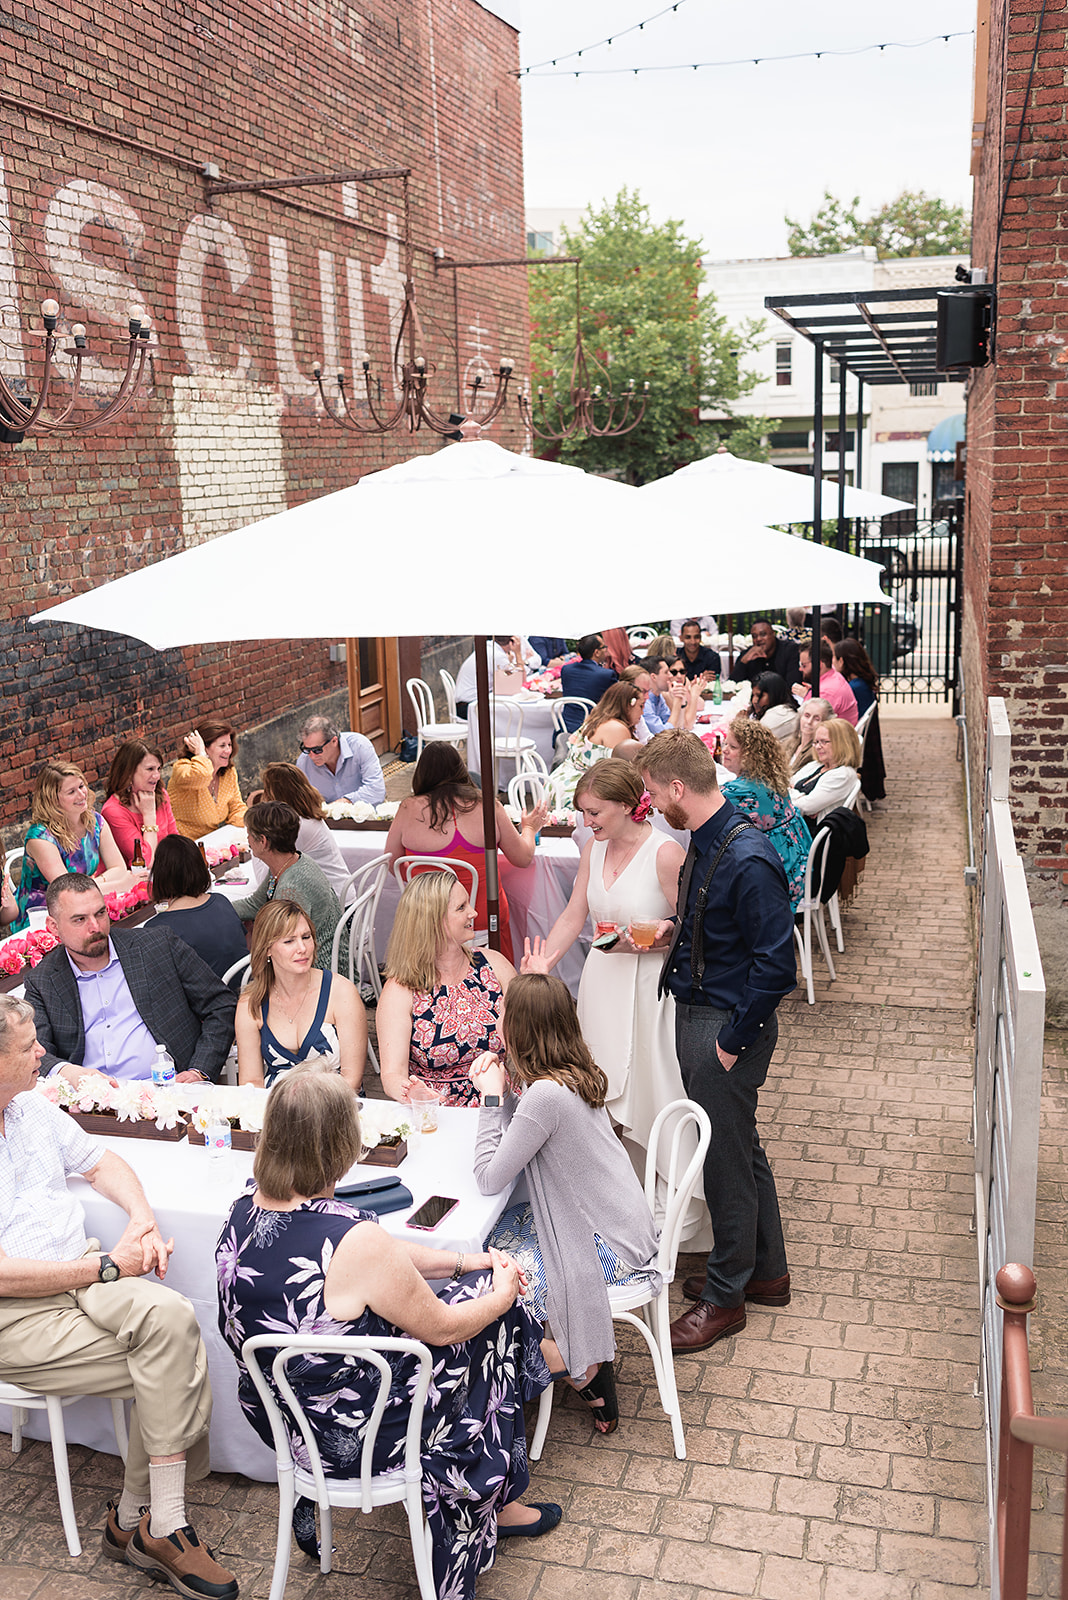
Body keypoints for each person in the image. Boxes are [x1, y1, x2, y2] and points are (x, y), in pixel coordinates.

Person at [215, 1072, 559, 1600]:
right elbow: (441, 1329)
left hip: (289, 1421)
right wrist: (501, 1293)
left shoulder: (243, 1209)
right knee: (494, 1324)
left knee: (473, 1292)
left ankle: (323, 1499)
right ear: (339, 1146)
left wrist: (466, 1260)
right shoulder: (354, 1243)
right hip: (367, 1436)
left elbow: (379, 1252)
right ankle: (493, 1500)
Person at [0, 995, 237, 1600]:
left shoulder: (28, 1107)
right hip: (15, 1311)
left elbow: (103, 1161)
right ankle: (157, 1523)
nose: (41, 1055)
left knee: (175, 1317)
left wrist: (141, 1220)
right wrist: (108, 1265)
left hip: (79, 1271)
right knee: (169, 1356)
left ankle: (140, 1520)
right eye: (27, 1048)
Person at [638, 729, 795, 1353]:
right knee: (739, 1144)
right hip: (705, 1013)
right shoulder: (707, 839)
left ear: (680, 788)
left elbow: (776, 966)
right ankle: (766, 1269)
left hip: (723, 1025)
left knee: (725, 1159)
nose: (651, 804)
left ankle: (725, 1297)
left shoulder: (746, 855)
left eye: (653, 793)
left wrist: (731, 1041)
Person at [520, 762, 706, 1234]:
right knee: (599, 1094)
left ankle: (676, 1219)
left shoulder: (665, 854)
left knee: (653, 1089)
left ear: (627, 806)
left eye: (594, 812)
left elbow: (690, 930)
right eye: (583, 813)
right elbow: (572, 914)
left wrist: (658, 937)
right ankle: (621, 1211)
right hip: (602, 983)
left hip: (649, 990)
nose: (586, 822)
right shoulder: (592, 851)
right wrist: (546, 960)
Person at [472, 974, 661, 1436]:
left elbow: (488, 1177)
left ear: (520, 1029)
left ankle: (568, 1365)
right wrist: (507, 1099)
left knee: (492, 1269)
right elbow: (527, 1133)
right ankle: (577, 1359)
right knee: (494, 1243)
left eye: (502, 1014)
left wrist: (491, 1097)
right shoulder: (572, 1074)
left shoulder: (545, 1096)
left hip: (611, 1245)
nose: (497, 1022)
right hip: (623, 1224)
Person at [24, 874, 238, 1086]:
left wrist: (199, 1070)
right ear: (53, 926)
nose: (95, 927)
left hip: (171, 1090)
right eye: (80, 919)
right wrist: (68, 1073)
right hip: (92, 1103)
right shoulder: (42, 981)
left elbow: (220, 1006)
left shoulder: (157, 945)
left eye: (100, 913)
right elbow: (32, 1050)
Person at [384, 742, 547, 965]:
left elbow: (392, 863)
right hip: (482, 918)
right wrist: (529, 828)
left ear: (421, 773)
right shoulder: (486, 805)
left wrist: (424, 880)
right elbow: (522, 858)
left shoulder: (408, 808)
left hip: (428, 920)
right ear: (461, 769)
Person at [377, 871, 515, 1107]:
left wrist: (536, 988)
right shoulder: (401, 989)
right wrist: (410, 1093)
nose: (474, 912)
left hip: (499, 1104)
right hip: (437, 1113)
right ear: (434, 920)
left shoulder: (494, 965)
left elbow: (530, 1038)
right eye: (461, 907)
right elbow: (392, 1074)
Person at [235, 901, 366, 1090]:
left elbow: (352, 1080)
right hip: (276, 1109)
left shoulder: (340, 992)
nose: (302, 948)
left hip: (337, 1106)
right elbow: (251, 1084)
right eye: (289, 941)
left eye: (306, 937)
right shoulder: (251, 1004)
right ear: (267, 949)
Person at [14, 761, 147, 932]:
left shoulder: (95, 821)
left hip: (87, 904)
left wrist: (92, 883)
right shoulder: (40, 838)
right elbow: (66, 893)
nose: (81, 795)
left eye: (81, 786)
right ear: (53, 799)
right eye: (71, 792)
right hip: (44, 917)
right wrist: (119, 885)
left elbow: (119, 868)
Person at [228, 802, 340, 970]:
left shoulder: (291, 889)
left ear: (263, 841)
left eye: (249, 834)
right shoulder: (289, 862)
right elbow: (256, 903)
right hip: (308, 959)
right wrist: (216, 909)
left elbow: (290, 949)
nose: (247, 839)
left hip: (317, 970)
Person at [720, 716, 810, 910]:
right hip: (798, 864)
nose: (724, 749)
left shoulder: (739, 791)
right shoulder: (770, 777)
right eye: (725, 743)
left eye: (733, 747)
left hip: (778, 876)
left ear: (751, 755)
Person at [149, 835, 249, 983]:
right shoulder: (220, 901)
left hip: (208, 1002)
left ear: (160, 875)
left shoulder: (159, 928)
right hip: (244, 988)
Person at [257, 762, 351, 902]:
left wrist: (256, 834)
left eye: (266, 790)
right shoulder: (307, 818)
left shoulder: (298, 827)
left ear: (274, 795)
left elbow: (267, 882)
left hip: (334, 908)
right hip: (339, 898)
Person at [545, 683, 644, 811]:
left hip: (558, 783)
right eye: (641, 706)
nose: (642, 712)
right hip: (576, 793)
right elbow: (625, 773)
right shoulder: (616, 728)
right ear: (627, 705)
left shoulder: (597, 718)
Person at [101, 740, 178, 869]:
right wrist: (149, 816)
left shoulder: (161, 795)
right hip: (136, 882)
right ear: (129, 772)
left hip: (167, 872)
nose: (157, 776)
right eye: (150, 769)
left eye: (158, 769)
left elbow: (175, 841)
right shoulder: (113, 811)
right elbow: (145, 863)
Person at [167, 720, 246, 841]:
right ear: (205, 748)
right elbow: (201, 776)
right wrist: (200, 753)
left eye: (229, 745)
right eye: (222, 745)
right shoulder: (183, 768)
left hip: (212, 843)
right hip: (184, 846)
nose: (228, 750)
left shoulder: (228, 772)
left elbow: (236, 808)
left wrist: (253, 824)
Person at [295, 715, 386, 807]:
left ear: (334, 741)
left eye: (317, 750)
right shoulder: (303, 762)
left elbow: (377, 791)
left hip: (365, 814)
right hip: (326, 819)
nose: (312, 756)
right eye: (306, 749)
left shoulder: (360, 746)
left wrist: (339, 805)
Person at [790, 717, 863, 831]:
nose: (818, 746)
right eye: (816, 742)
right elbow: (783, 785)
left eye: (824, 742)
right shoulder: (816, 765)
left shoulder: (843, 775)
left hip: (806, 834)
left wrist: (791, 793)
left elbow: (805, 807)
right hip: (795, 824)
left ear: (843, 743)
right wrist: (800, 797)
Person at [558, 633, 617, 733]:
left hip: (566, 727)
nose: (606, 650)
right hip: (593, 729)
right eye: (604, 647)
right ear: (597, 652)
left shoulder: (566, 670)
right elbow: (616, 701)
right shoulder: (606, 675)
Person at [452, 636, 523, 717]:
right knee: (512, 713)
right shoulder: (497, 655)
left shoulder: (488, 647)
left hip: (463, 703)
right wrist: (518, 653)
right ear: (511, 642)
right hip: (470, 707)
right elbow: (520, 682)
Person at [794, 638, 858, 726]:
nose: (800, 669)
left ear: (819, 664)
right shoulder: (834, 676)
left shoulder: (825, 692)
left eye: (803, 665)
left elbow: (807, 724)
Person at [732, 618, 801, 688]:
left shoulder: (790, 650)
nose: (758, 639)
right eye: (754, 636)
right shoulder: (748, 654)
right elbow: (732, 685)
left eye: (763, 634)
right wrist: (743, 662)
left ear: (773, 634)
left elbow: (793, 684)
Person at [749, 671, 800, 751]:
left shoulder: (779, 714)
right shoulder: (784, 709)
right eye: (753, 695)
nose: (754, 700)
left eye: (759, 696)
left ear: (774, 694)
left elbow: (751, 747)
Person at [834, 637, 879, 719]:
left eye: (833, 657)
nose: (832, 661)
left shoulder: (854, 688)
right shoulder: (861, 682)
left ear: (841, 661)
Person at [789, 697, 834, 776]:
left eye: (817, 719)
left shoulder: (818, 752)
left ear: (825, 723)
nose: (809, 722)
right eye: (806, 716)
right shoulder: (790, 742)